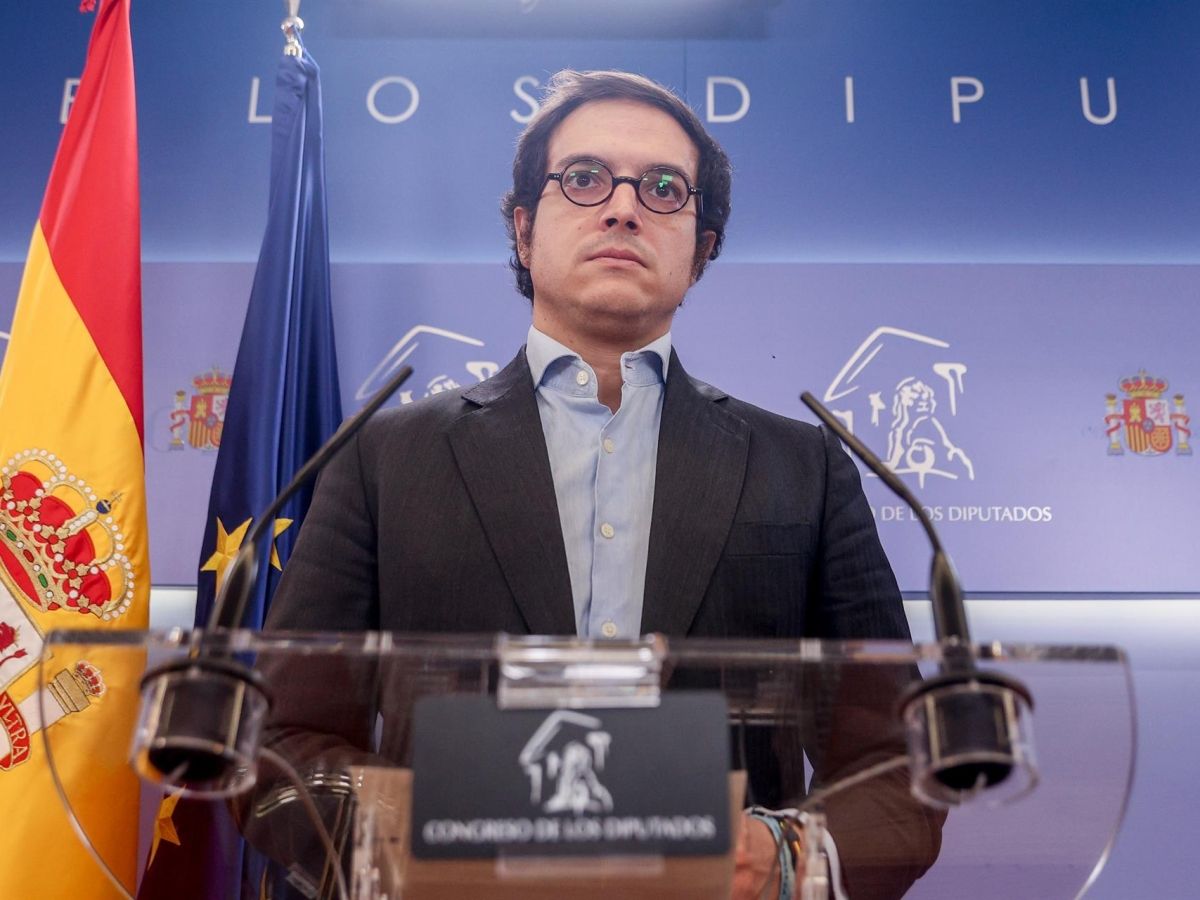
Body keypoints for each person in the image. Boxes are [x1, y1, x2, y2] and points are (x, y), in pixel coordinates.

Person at [264, 70, 938, 898]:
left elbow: (895, 764)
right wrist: (423, 828)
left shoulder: (803, 466)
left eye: (664, 189)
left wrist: (783, 853)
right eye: (584, 178)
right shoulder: (383, 456)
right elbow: (282, 741)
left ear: (702, 250)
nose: (622, 208)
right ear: (524, 229)